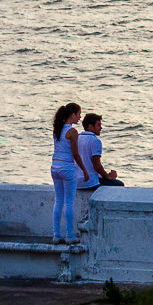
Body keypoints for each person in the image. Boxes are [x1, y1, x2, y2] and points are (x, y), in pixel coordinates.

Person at [50, 103, 91, 241]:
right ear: (72, 115)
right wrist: (85, 170)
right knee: (68, 202)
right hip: (67, 167)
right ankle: (69, 235)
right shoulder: (72, 132)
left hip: (55, 166)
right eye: (79, 114)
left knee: (58, 201)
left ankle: (56, 235)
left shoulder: (57, 129)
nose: (80, 117)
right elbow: (75, 154)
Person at [77, 113, 124, 188]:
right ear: (90, 127)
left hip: (76, 181)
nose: (101, 128)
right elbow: (97, 165)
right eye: (98, 125)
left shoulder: (76, 138)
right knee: (119, 184)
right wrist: (107, 176)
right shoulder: (95, 141)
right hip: (90, 182)